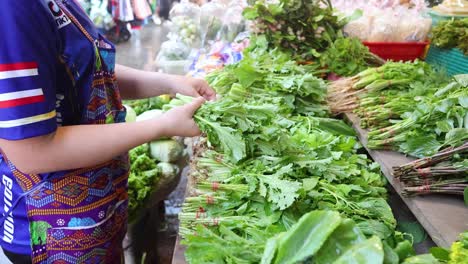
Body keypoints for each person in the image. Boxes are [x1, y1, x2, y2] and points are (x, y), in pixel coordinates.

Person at [0, 0, 215, 263]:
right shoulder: (11, 11)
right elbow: (31, 152)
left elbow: (90, 71)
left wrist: (170, 82)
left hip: (98, 218)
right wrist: (160, 125)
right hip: (51, 237)